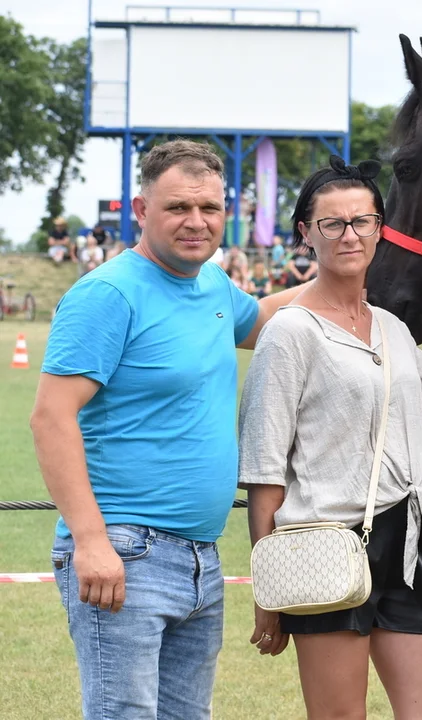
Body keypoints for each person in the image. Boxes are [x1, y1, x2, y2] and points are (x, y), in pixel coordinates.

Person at [29, 139, 309, 720]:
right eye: (178, 207)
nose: (196, 222)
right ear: (140, 209)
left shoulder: (210, 286)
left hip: (200, 558)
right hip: (125, 553)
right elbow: (51, 417)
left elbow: (260, 320)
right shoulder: (108, 293)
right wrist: (90, 541)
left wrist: (347, 267)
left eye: (209, 208)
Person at [238, 156, 422, 720]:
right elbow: (264, 475)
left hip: (406, 543)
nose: (348, 235)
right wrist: (267, 593)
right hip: (323, 544)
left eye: (362, 221)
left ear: (382, 229)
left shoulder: (394, 329)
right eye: (331, 223)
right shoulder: (289, 333)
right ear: (306, 234)